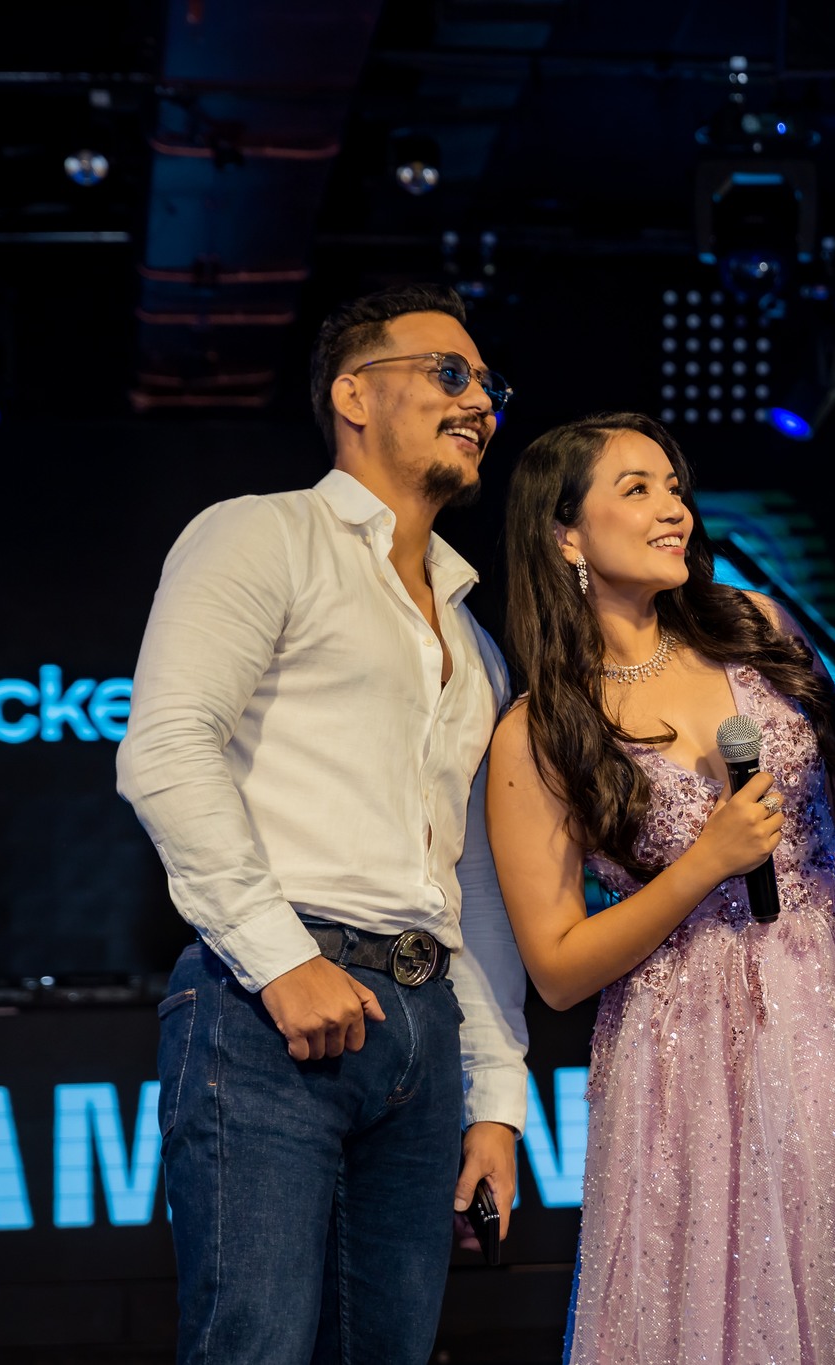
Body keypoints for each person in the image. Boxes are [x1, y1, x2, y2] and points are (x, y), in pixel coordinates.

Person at [115, 283, 531, 1364]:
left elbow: (473, 879)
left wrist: (495, 1096)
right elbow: (164, 750)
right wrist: (281, 960)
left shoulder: (474, 641)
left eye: (488, 384)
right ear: (354, 394)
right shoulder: (263, 535)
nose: (479, 401)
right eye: (448, 372)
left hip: (425, 1025)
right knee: (252, 1348)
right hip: (267, 1010)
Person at [484, 412, 835, 1365]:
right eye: (637, 490)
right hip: (692, 1048)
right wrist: (705, 861)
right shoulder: (539, 733)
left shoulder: (756, 626)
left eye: (675, 487)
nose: (675, 511)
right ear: (566, 534)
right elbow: (559, 967)